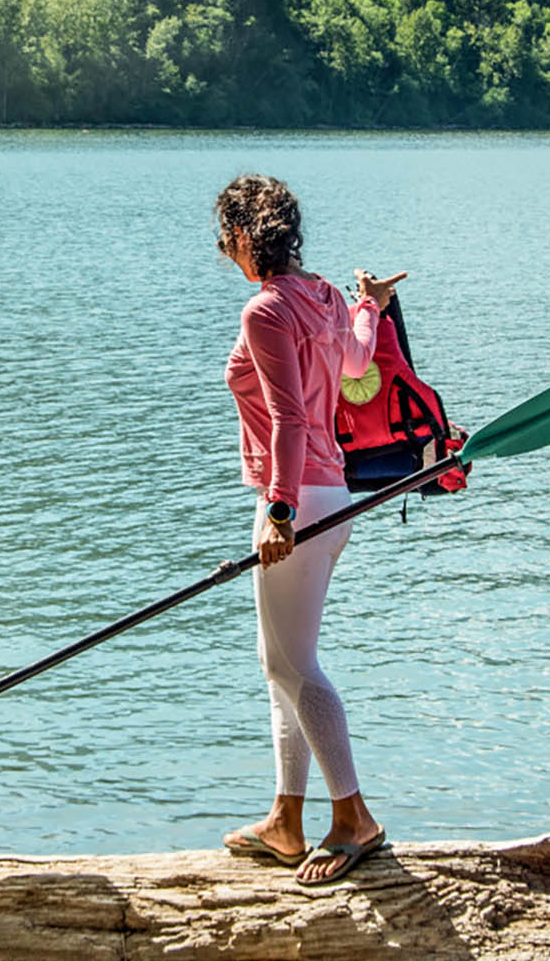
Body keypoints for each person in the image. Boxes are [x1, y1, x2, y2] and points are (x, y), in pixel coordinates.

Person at [211, 174, 407, 886]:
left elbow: (290, 419)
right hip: (332, 499)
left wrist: (279, 510)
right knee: (280, 666)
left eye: (223, 240)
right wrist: (369, 304)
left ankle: (354, 817)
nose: (224, 252)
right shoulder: (324, 296)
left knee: (297, 668)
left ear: (240, 236)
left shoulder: (265, 311)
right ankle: (285, 821)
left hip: (296, 504)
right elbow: (357, 363)